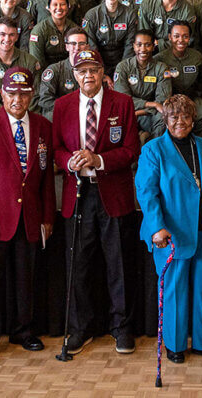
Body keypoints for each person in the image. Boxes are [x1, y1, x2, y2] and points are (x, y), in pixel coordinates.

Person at [52, 49, 142, 356]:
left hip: (113, 194)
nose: (87, 76)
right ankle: (80, 329)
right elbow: (56, 150)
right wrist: (70, 161)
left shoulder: (123, 103)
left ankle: (122, 328)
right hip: (77, 194)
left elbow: (131, 150)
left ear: (103, 72)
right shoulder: (62, 106)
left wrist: (98, 159)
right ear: (73, 74)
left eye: (93, 70)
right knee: (79, 265)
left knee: (119, 263)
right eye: (81, 70)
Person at [0, 67, 55, 365]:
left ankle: (23, 330)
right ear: (2, 94)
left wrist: (47, 217)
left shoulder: (42, 125)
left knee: (25, 278)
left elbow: (43, 176)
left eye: (24, 93)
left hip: (29, 217)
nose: (18, 99)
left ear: (32, 94)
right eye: (12, 93)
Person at [136, 95, 202, 364]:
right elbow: (147, 193)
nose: (180, 121)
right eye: (174, 117)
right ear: (165, 120)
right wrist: (157, 227)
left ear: (194, 120)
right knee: (175, 291)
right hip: (172, 235)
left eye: (185, 116)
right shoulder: (153, 150)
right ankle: (176, 345)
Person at [155, 23, 202, 136]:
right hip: (169, 99)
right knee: (163, 119)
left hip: (192, 97)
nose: (181, 40)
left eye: (185, 36)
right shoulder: (160, 58)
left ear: (189, 38)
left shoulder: (197, 57)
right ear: (170, 37)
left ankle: (195, 142)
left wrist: (195, 95)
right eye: (176, 36)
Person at [113, 30, 172, 137]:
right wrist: (152, 104)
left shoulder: (161, 68)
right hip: (127, 112)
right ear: (133, 46)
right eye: (139, 45)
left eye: (147, 45)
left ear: (154, 46)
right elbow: (123, 99)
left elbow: (162, 101)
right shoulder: (122, 67)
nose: (143, 49)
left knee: (162, 119)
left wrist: (139, 112)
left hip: (149, 114)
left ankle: (153, 149)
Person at [81, 0, 141, 70]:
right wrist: (100, 68)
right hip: (98, 62)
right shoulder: (92, 15)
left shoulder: (130, 14)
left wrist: (122, 69)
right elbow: (91, 45)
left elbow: (130, 44)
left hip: (124, 61)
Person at [35, 29, 90, 118]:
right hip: (61, 114)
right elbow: (45, 100)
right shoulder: (54, 70)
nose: (77, 48)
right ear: (67, 46)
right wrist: (70, 109)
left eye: (81, 43)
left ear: (87, 47)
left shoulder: (92, 71)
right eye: (73, 43)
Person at [28, 0, 84, 68]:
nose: (59, 8)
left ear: (68, 7)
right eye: (55, 5)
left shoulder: (74, 29)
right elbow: (36, 61)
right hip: (46, 72)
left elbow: (80, 56)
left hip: (70, 71)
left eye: (62, 4)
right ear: (48, 8)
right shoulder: (39, 30)